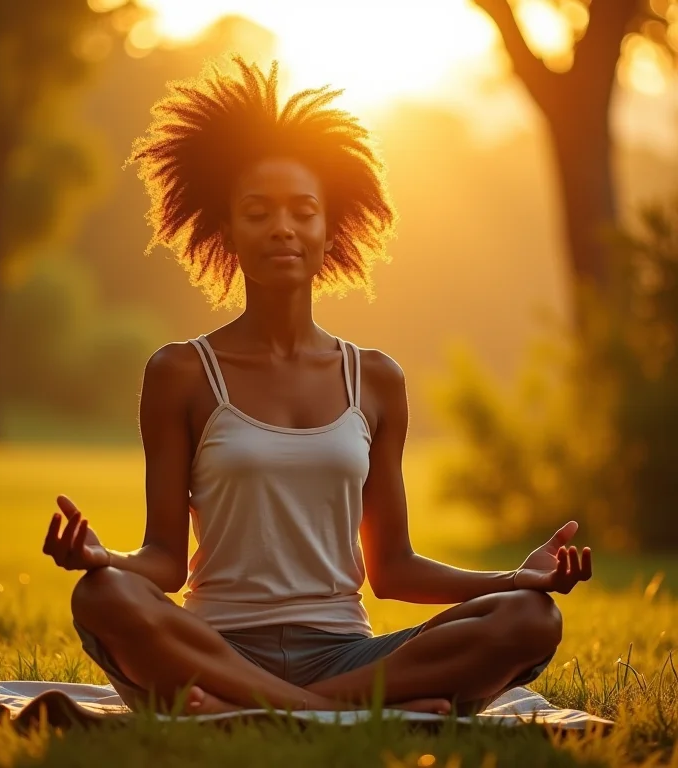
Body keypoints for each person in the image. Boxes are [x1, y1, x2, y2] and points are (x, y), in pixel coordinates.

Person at [42, 56, 593, 717]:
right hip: (212, 643)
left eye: (303, 210)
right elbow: (165, 562)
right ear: (226, 229)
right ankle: (342, 711)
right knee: (102, 597)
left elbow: (392, 568)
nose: (282, 227)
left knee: (530, 619)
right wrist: (103, 557)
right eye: (258, 211)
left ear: (331, 227)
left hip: (344, 651)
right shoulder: (180, 372)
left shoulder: (377, 379)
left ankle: (254, 709)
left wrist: (515, 578)